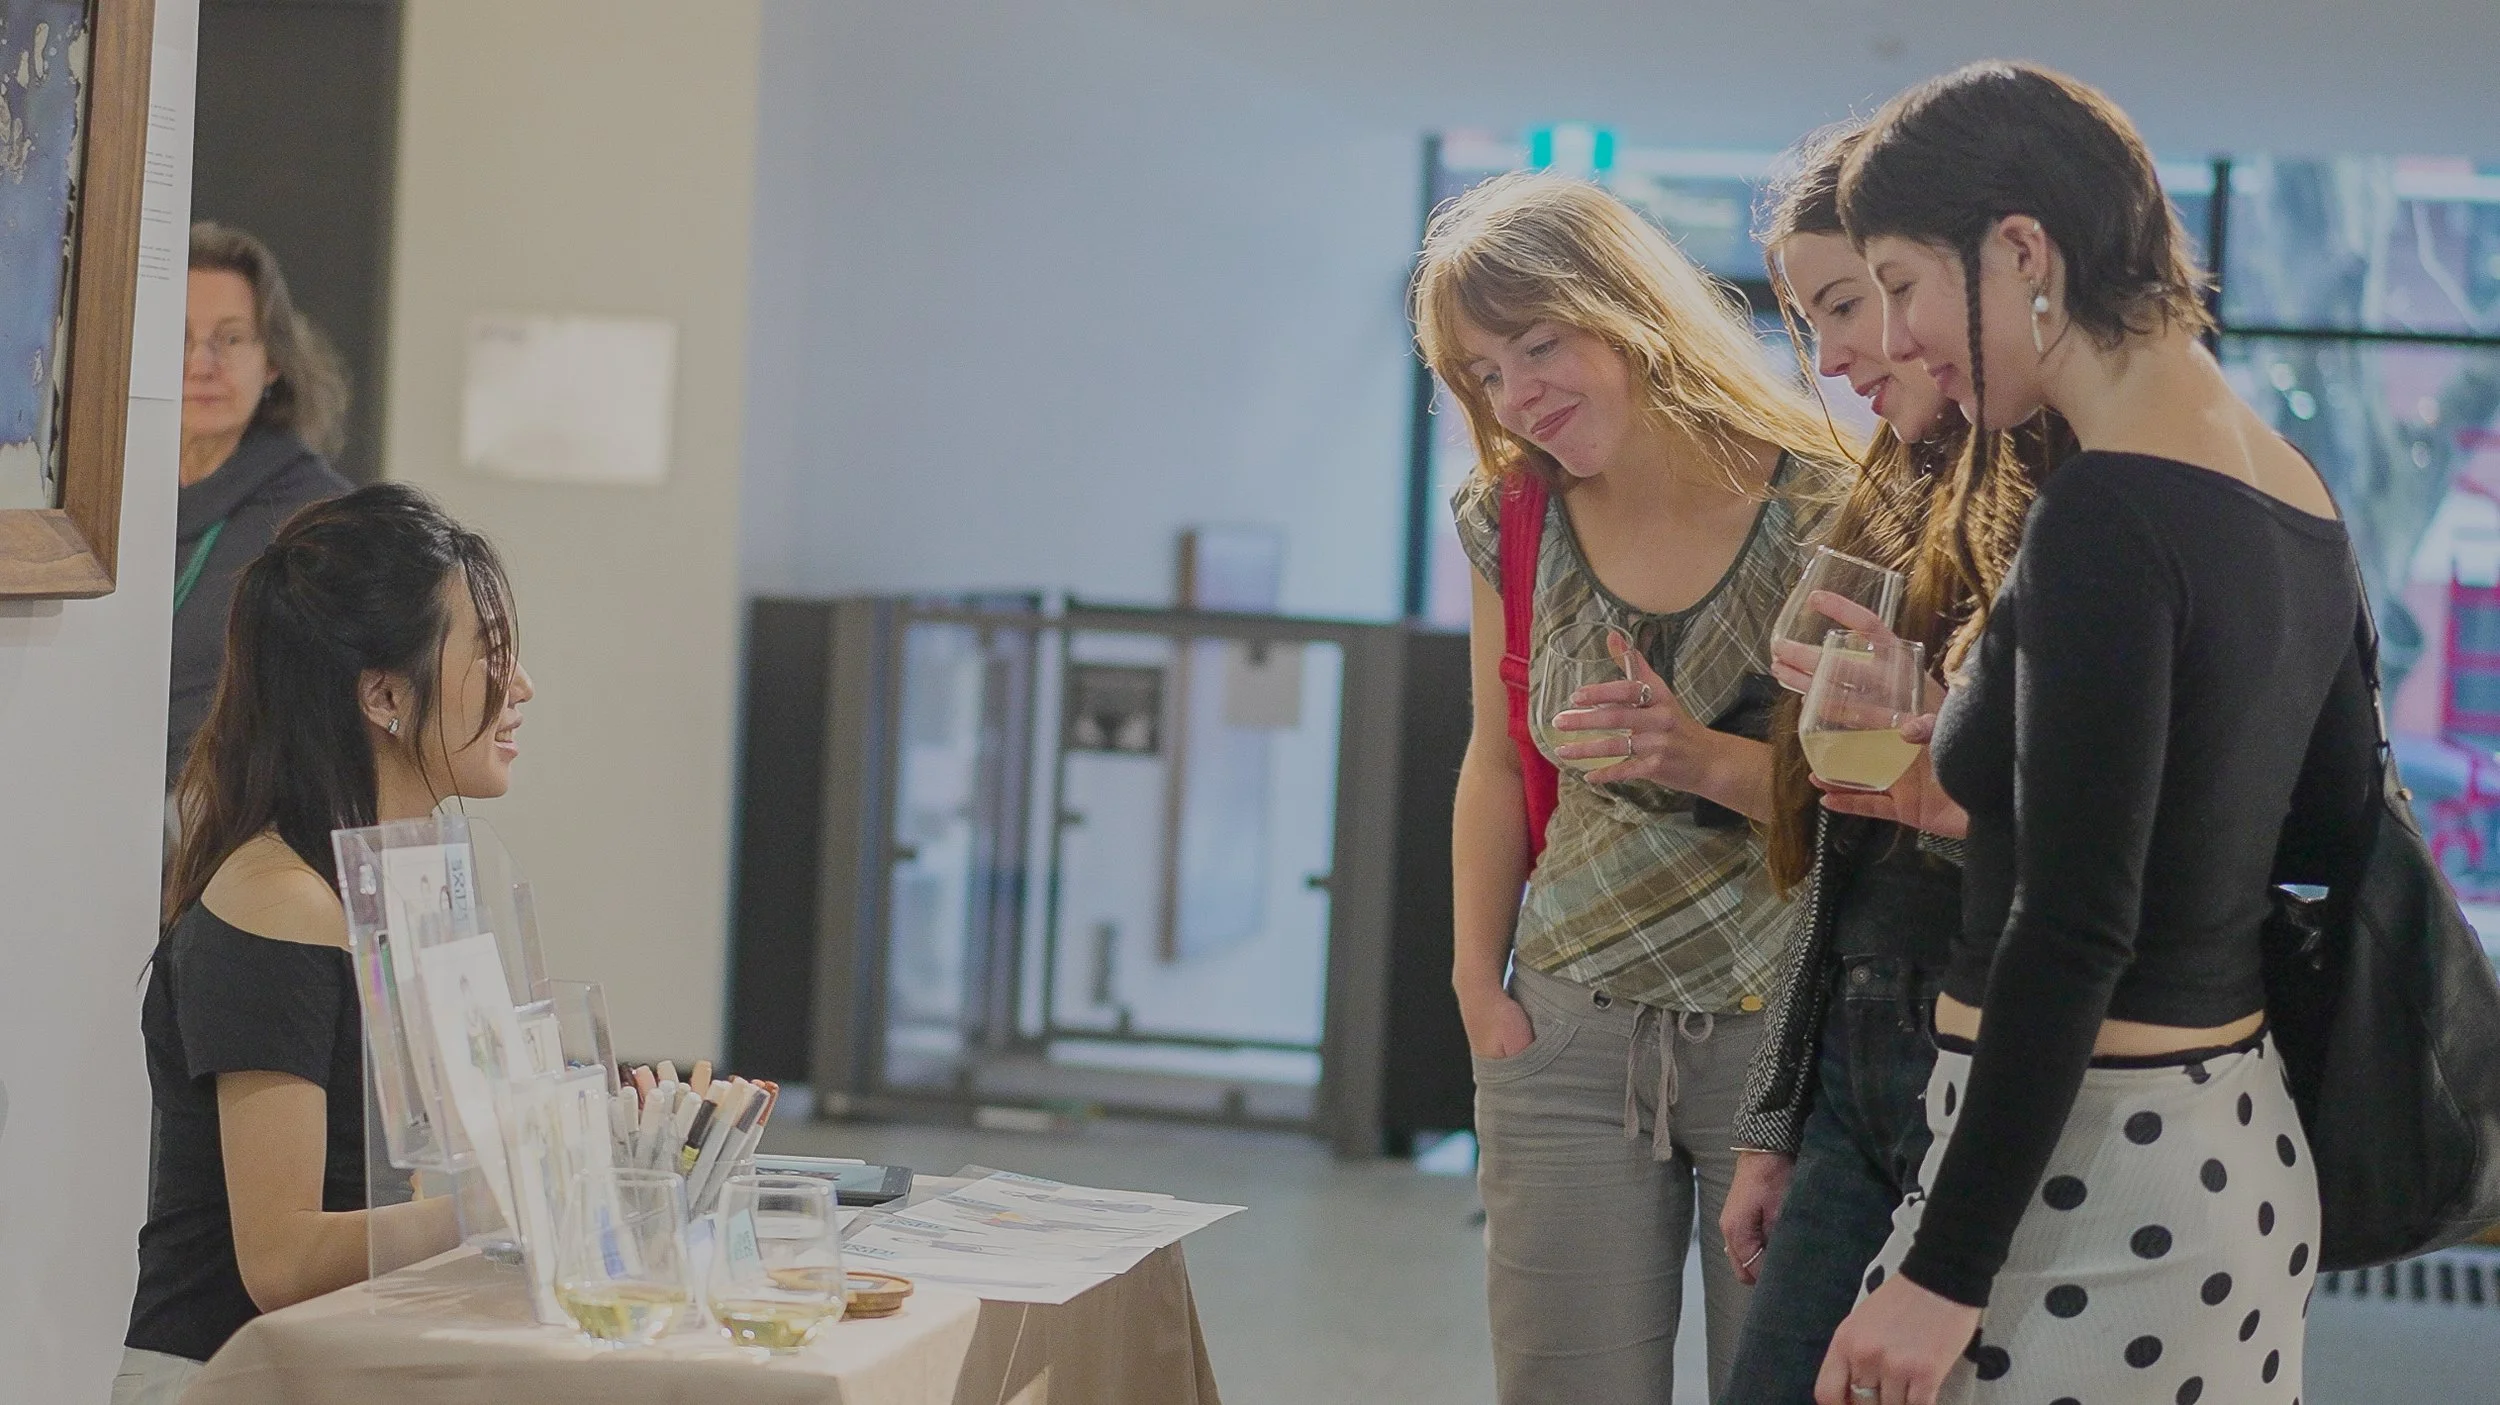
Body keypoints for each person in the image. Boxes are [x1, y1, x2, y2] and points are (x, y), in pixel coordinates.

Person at [1814, 61, 2373, 1405]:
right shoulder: (2291, 489)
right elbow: (2328, 813)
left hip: (2080, 1180)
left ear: (2020, 249)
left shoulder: (2105, 513)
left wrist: (1941, 1275)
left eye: (1901, 281)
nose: (1892, 337)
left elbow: (2070, 927)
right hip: (2231, 1155)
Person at [1414, 169, 1855, 1403]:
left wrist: (1695, 755)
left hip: (1784, 1039)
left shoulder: (1827, 501)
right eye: (1485, 372)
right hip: (1564, 1024)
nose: (1517, 394)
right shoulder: (1511, 513)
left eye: (1539, 343)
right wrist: (1473, 983)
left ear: (1630, 310)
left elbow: (1878, 798)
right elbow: (1497, 759)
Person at [1714, 122, 2058, 1405]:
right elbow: (1841, 867)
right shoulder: (1898, 492)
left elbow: (2096, 856)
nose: (1845, 352)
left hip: (1985, 1042)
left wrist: (1945, 755)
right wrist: (1775, 1120)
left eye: (1859, 301)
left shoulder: (2073, 504)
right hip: (1865, 1035)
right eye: (1813, 321)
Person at [117, 485, 534, 1403]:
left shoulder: (412, 875)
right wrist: (510, 1199)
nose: (522, 688)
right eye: (491, 657)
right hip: (229, 1378)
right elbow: (283, 1257)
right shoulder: (281, 905)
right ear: (383, 694)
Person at [171, 222, 352, 787]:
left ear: (271, 360)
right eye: (178, 337)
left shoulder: (322, 519)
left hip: (226, 831)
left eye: (229, 338)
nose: (201, 363)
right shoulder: (88, 499)